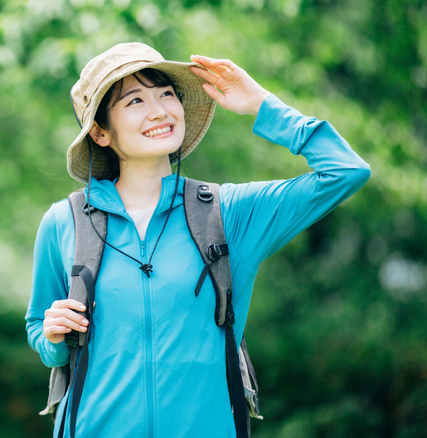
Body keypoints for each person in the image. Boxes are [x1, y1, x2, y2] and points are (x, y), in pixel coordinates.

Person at [25, 42, 370, 437]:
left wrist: (262, 105)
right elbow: (40, 327)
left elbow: (346, 172)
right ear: (101, 133)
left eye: (167, 94)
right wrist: (51, 336)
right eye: (134, 101)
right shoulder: (63, 222)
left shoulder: (227, 214)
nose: (160, 111)